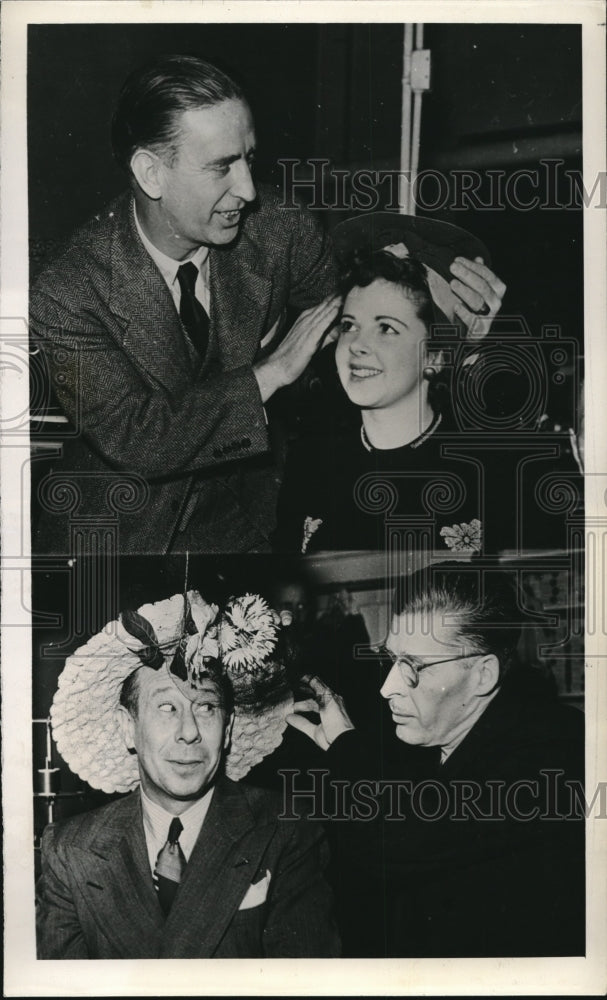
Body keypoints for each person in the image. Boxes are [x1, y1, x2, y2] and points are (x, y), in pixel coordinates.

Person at [30, 57, 505, 555]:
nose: (249, 190)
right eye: (221, 167)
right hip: (115, 554)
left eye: (249, 159)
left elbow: (356, 353)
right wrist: (269, 373)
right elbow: (139, 439)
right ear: (151, 173)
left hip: (248, 541)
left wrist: (462, 340)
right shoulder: (67, 293)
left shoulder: (280, 231)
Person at [286, 563, 585, 957]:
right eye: (390, 660)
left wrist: (344, 744)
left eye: (413, 667)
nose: (387, 687)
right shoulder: (433, 738)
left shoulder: (552, 749)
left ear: (482, 675)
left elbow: (393, 842)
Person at [36, 590, 340, 958]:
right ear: (127, 727)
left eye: (207, 707)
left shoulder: (284, 831)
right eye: (167, 707)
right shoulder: (72, 851)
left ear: (227, 729)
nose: (190, 731)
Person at [274, 213, 583, 555]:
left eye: (387, 328)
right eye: (349, 325)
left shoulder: (491, 473)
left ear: (435, 357)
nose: (357, 344)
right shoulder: (309, 465)